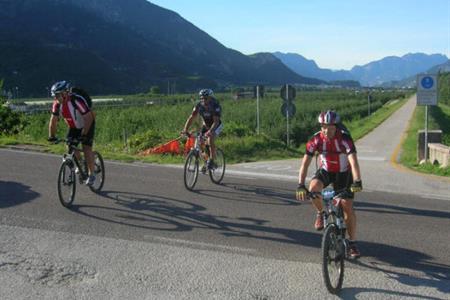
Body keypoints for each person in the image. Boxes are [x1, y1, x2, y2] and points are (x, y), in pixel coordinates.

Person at [296, 110, 363, 258]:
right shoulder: (316, 140)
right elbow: (305, 164)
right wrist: (301, 185)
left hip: (344, 174)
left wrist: (357, 181)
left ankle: (352, 243)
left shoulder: (345, 139)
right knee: (313, 189)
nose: (327, 130)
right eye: (324, 127)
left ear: (336, 127)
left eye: (330, 127)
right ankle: (320, 213)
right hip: (326, 171)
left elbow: (353, 160)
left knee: (347, 206)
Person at [47, 80, 97, 186]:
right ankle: (82, 162)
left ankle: (92, 174)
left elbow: (88, 118)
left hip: (87, 123)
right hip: (74, 126)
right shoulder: (56, 104)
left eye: (57, 95)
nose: (56, 98)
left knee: (86, 148)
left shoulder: (76, 100)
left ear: (65, 93)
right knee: (69, 145)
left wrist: (84, 135)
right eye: (54, 96)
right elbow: (53, 121)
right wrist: (51, 136)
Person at [182, 88, 223, 171]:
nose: (203, 100)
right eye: (201, 98)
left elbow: (216, 121)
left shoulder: (215, 105)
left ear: (210, 98)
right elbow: (191, 117)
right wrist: (185, 129)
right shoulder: (199, 105)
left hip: (216, 125)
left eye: (205, 98)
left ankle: (212, 160)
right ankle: (207, 161)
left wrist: (210, 131)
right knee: (200, 144)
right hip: (206, 125)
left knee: (210, 139)